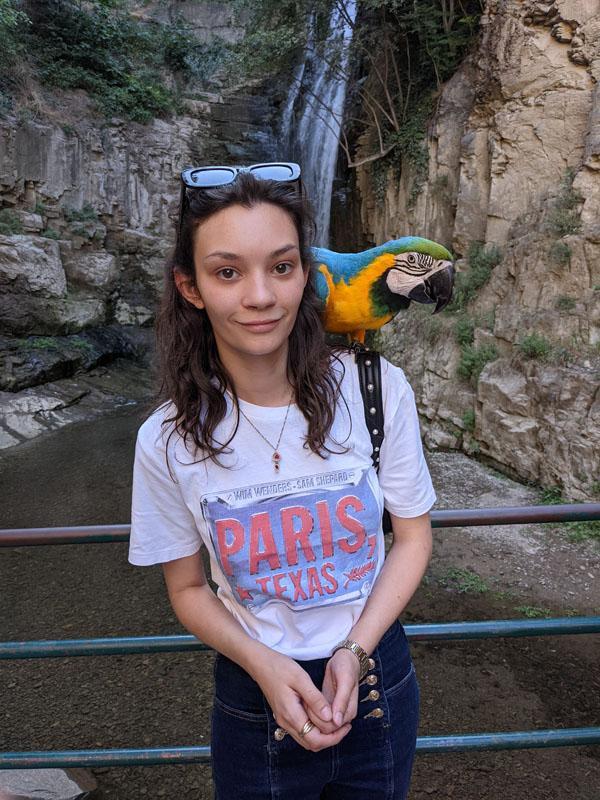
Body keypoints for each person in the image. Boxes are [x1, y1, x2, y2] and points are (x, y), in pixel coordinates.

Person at [128, 162, 436, 799]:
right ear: (190, 287)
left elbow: (412, 538)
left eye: (282, 266)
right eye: (228, 272)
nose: (261, 296)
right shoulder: (167, 437)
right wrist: (266, 666)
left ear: (307, 274)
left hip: (376, 683)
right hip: (251, 696)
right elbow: (187, 588)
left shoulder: (376, 390)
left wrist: (354, 650)